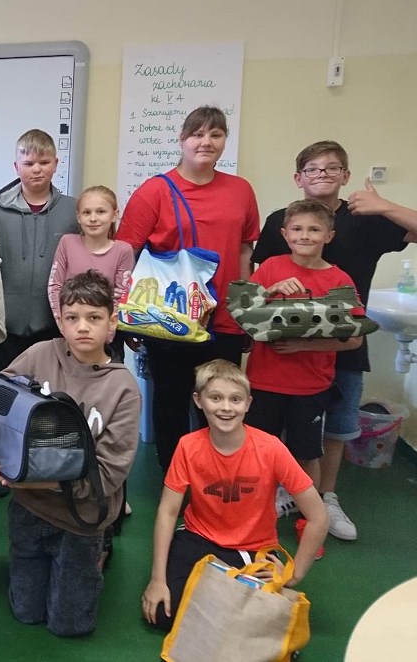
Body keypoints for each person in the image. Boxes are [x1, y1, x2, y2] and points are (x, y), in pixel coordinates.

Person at [0, 271, 141, 637]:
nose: (82, 327)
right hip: (28, 510)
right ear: (60, 321)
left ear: (112, 322)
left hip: (80, 521)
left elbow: (109, 474)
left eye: (94, 317)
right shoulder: (41, 354)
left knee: (69, 626)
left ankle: (96, 558)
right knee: (26, 612)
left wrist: (35, 482)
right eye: (72, 317)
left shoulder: (123, 389)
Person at [252, 140, 417, 541]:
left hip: (341, 343)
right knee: (281, 429)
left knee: (337, 428)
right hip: (281, 353)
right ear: (299, 178)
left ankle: (324, 499)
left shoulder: (368, 218)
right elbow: (256, 288)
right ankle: (281, 493)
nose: (322, 174)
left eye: (331, 168)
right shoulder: (280, 223)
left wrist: (384, 206)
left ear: (345, 175)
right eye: (312, 168)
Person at [117, 105, 260, 472]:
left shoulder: (241, 190)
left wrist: (247, 312)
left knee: (223, 404)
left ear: (225, 141)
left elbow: (245, 251)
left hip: (225, 317)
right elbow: (125, 254)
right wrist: (128, 317)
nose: (206, 142)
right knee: (171, 404)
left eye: (216, 134)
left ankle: (217, 477)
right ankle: (176, 480)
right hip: (170, 318)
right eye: (197, 134)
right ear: (181, 140)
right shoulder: (154, 191)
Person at [141, 359, 327, 631]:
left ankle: (256, 595)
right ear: (198, 400)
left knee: (261, 625)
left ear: (248, 404)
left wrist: (294, 573)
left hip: (252, 547)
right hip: (199, 538)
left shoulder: (271, 448)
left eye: (235, 399)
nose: (226, 407)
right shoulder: (188, 446)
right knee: (161, 613)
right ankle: (244, 596)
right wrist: (157, 580)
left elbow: (318, 516)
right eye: (215, 398)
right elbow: (168, 512)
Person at [247, 200, 364, 557]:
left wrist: (302, 345)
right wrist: (270, 291)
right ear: (285, 234)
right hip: (264, 381)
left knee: (306, 454)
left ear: (329, 235)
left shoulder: (339, 280)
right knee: (259, 452)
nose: (305, 236)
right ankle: (255, 517)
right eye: (297, 229)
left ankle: (308, 519)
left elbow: (354, 338)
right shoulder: (271, 267)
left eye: (314, 229)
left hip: (310, 386)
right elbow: (243, 314)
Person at [0, 129, 78, 496]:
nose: (36, 169)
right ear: (16, 166)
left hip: (52, 323)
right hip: (4, 323)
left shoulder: (72, 211)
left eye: (44, 162)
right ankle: (0, 466)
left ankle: (46, 465)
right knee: (2, 396)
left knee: (51, 398)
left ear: (56, 164)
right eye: (28, 162)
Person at [47, 184, 134, 360]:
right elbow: (54, 286)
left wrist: (105, 334)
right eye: (87, 212)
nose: (93, 218)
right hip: (70, 334)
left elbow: (120, 296)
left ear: (114, 215)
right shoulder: (67, 243)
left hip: (107, 340)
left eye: (101, 212)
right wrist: (63, 325)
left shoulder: (123, 250)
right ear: (78, 217)